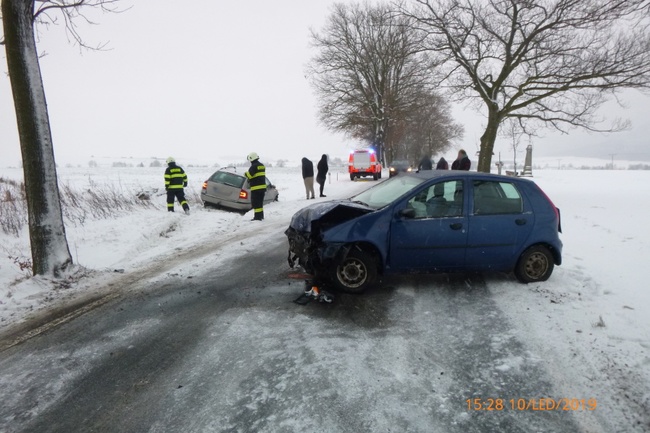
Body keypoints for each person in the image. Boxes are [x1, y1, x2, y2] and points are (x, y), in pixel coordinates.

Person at [245, 152, 266, 221]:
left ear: (251, 158)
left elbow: (249, 175)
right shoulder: (262, 165)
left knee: (256, 203)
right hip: (262, 188)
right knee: (260, 203)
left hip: (256, 188)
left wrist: (245, 174)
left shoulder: (253, 166)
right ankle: (261, 216)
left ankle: (257, 217)